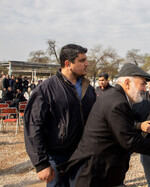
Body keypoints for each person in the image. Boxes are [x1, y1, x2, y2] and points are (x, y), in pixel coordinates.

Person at [57, 63, 150, 187]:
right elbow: (129, 140)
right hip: (92, 174)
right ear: (127, 82)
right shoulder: (118, 102)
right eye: (142, 83)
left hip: (99, 171)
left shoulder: (115, 97)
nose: (144, 89)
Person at [24, 44, 96, 186]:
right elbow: (33, 126)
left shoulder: (89, 89)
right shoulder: (45, 90)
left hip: (83, 155)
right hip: (56, 158)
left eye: (86, 60)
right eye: (82, 60)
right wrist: (41, 163)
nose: (87, 64)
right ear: (68, 64)